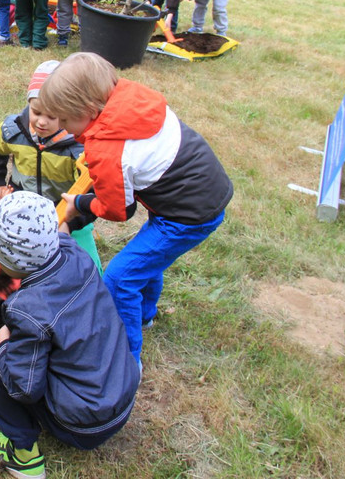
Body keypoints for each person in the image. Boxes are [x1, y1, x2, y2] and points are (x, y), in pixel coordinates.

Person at [39, 52, 233, 366]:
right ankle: (144, 315)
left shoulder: (110, 152)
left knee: (119, 278)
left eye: (65, 119)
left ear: (89, 111)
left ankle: (128, 360)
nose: (60, 126)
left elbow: (118, 211)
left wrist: (80, 203)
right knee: (145, 258)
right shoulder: (129, 97)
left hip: (186, 217)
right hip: (197, 189)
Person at [0, 191, 139, 479]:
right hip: (121, 395)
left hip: (83, 427)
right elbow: (54, 236)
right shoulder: (76, 254)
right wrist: (0, 235)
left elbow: (24, 388)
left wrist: (4, 341)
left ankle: (24, 457)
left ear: (5, 259)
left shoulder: (26, 312)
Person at [0, 60, 100, 267]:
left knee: (80, 265)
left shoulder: (79, 146)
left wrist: (69, 222)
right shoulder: (13, 130)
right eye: (36, 112)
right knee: (20, 265)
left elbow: (93, 193)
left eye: (52, 115)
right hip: (23, 211)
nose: (41, 122)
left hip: (64, 212)